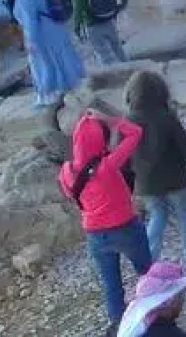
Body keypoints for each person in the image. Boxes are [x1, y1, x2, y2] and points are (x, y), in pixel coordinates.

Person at [59, 110, 151, 327]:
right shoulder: (108, 166)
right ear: (100, 138)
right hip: (125, 226)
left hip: (95, 233)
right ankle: (153, 317)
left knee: (111, 285)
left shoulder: (66, 171)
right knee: (146, 273)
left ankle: (120, 327)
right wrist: (112, 119)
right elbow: (136, 133)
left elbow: (70, 194)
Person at [123, 69, 186, 270]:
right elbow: (185, 148)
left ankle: (148, 258)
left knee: (157, 217)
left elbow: (122, 155)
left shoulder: (127, 121)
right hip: (175, 177)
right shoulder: (167, 116)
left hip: (146, 181)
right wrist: (183, 162)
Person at [9, 0, 84, 105]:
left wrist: (31, 41)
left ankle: (48, 94)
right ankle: (71, 86)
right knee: (63, 58)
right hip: (54, 28)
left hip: (42, 33)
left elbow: (30, 21)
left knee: (43, 63)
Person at [114, 260, 186, 337]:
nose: (182, 302)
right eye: (181, 295)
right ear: (171, 299)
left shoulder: (128, 324)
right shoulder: (172, 334)